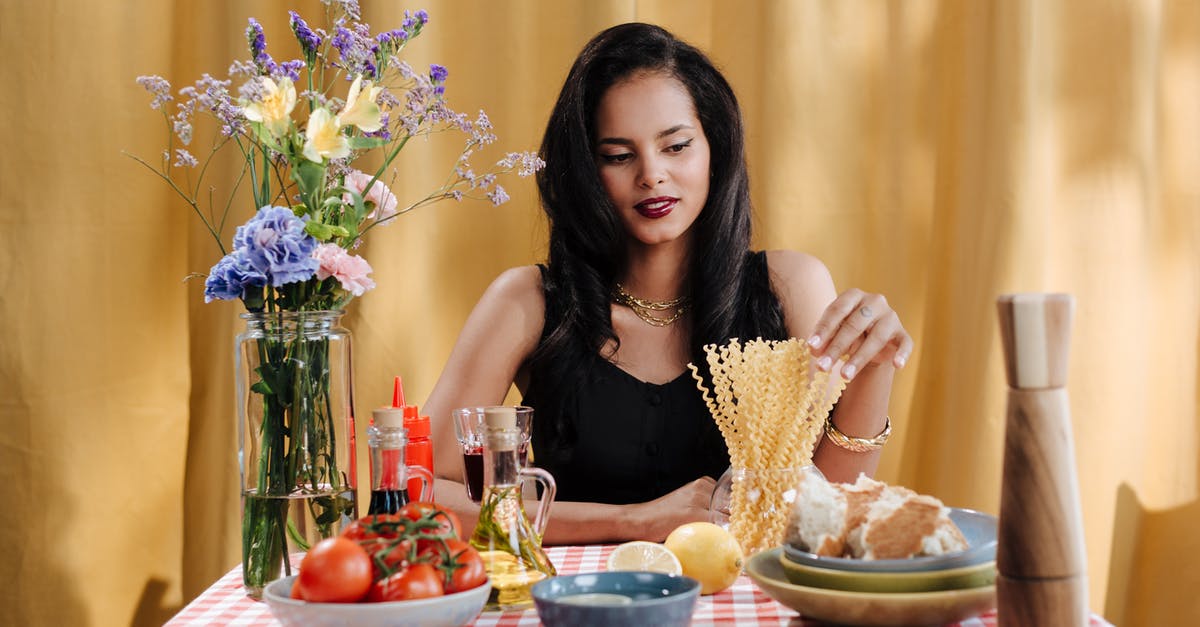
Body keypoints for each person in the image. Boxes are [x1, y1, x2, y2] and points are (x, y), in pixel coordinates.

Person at [423, 22, 912, 544]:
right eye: (618, 155)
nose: (651, 175)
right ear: (585, 169)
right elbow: (422, 493)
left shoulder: (788, 286)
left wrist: (874, 369)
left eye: (676, 146)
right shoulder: (528, 302)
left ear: (714, 149)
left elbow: (832, 508)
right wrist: (632, 521)